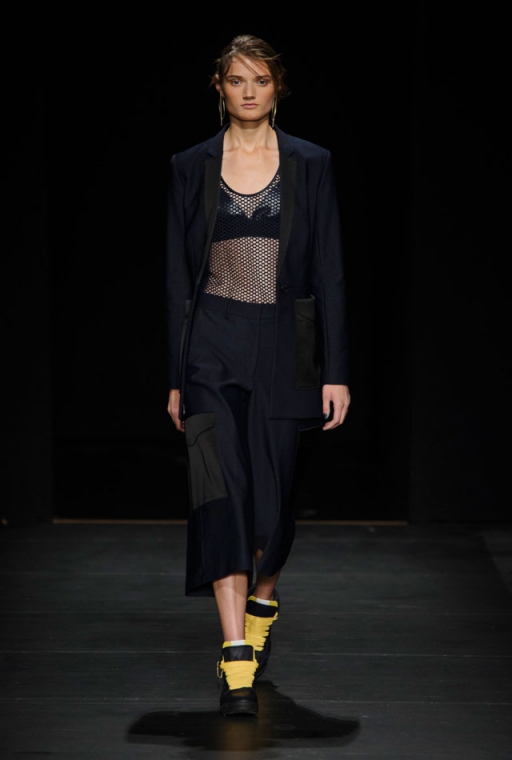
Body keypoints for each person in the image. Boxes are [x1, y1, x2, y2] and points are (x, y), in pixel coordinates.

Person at [165, 33, 350, 717]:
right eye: (237, 80)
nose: (249, 91)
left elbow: (329, 270)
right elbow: (176, 277)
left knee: (272, 507)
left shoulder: (311, 162)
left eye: (261, 80)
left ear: (278, 87)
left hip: (284, 345)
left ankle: (263, 597)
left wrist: (336, 370)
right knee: (219, 495)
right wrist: (176, 374)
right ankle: (235, 655)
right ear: (219, 87)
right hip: (210, 345)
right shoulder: (190, 165)